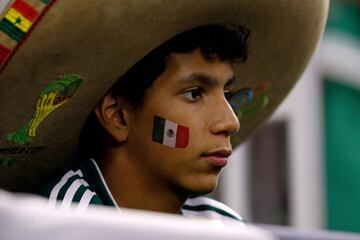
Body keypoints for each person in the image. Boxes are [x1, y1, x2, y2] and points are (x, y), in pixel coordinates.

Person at [0, 0, 328, 222]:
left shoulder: (222, 226)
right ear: (118, 115)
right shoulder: (61, 220)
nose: (230, 121)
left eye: (227, 93)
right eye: (195, 93)